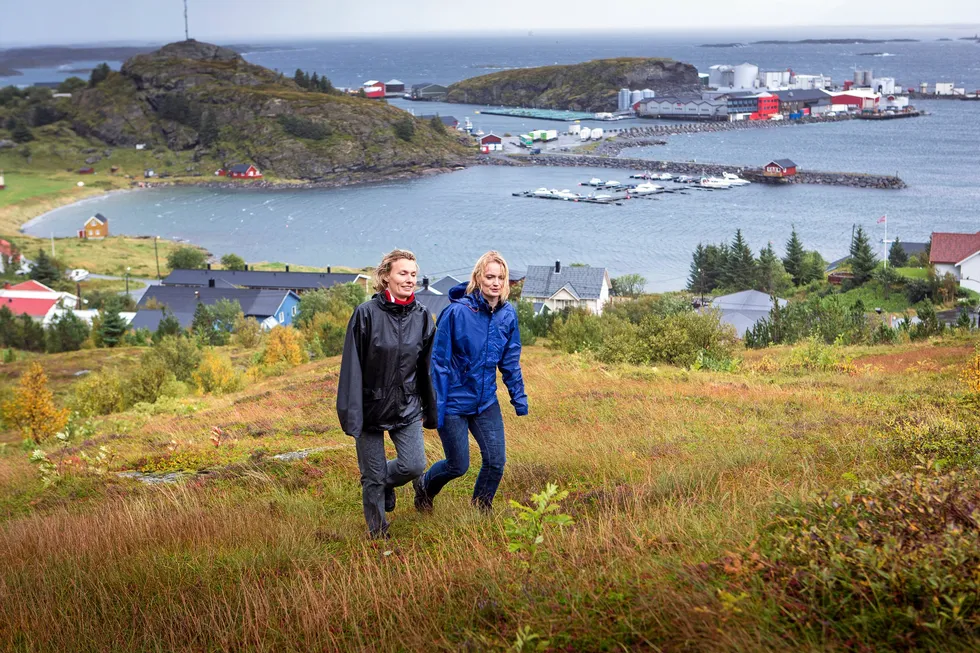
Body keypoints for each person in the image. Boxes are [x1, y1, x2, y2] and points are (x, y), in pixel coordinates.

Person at [414, 250, 528, 513]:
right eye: (490, 277)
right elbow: (438, 364)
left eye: (501, 277)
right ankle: (424, 487)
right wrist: (434, 407)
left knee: (496, 461)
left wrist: (518, 399)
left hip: (485, 401)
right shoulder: (455, 313)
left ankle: (481, 509)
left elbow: (510, 361)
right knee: (458, 466)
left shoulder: (508, 315)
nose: (496, 283)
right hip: (453, 402)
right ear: (478, 277)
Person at [337, 249, 437, 539]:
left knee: (414, 465)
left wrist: (428, 409)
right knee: (372, 475)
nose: (409, 280)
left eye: (413, 275)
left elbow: (427, 368)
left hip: (406, 406)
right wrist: (352, 413)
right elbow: (351, 368)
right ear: (385, 277)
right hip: (369, 408)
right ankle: (378, 534)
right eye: (403, 273)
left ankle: (387, 483)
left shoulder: (422, 317)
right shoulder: (365, 315)